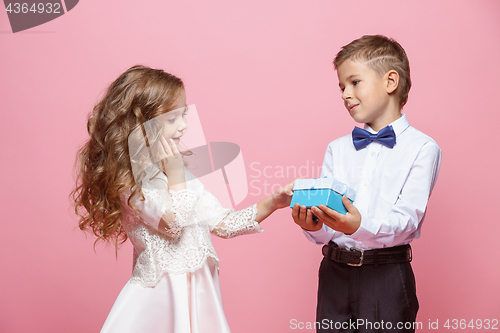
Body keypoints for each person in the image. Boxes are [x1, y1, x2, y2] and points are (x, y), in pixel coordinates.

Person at [71, 65, 293, 333]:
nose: (184, 126)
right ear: (142, 124)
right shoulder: (131, 184)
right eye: (172, 118)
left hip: (198, 292)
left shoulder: (179, 175)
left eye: (183, 115)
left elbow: (223, 224)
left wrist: (273, 202)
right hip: (163, 296)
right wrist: (175, 174)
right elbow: (173, 227)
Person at [292, 35, 441, 332]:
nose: (345, 94)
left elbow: (407, 219)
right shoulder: (337, 148)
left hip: (385, 275)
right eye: (341, 86)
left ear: (390, 82)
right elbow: (329, 220)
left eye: (354, 82)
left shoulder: (423, 148)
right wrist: (315, 227)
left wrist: (358, 226)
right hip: (334, 273)